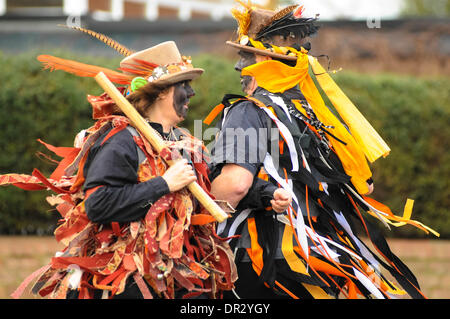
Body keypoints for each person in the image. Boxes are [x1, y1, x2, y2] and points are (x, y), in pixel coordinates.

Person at [206, 2, 437, 299]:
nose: (238, 67)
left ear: (267, 60)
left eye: (246, 56)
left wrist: (189, 195)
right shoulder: (312, 114)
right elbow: (360, 183)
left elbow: (234, 186)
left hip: (260, 259)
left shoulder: (248, 111)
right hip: (320, 257)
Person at [5, 30, 236, 299]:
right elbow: (98, 205)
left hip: (179, 272)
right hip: (131, 279)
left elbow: (216, 180)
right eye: (184, 85)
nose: (192, 92)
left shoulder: (184, 140)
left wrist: (266, 195)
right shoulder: (121, 141)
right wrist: (164, 184)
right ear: (161, 92)